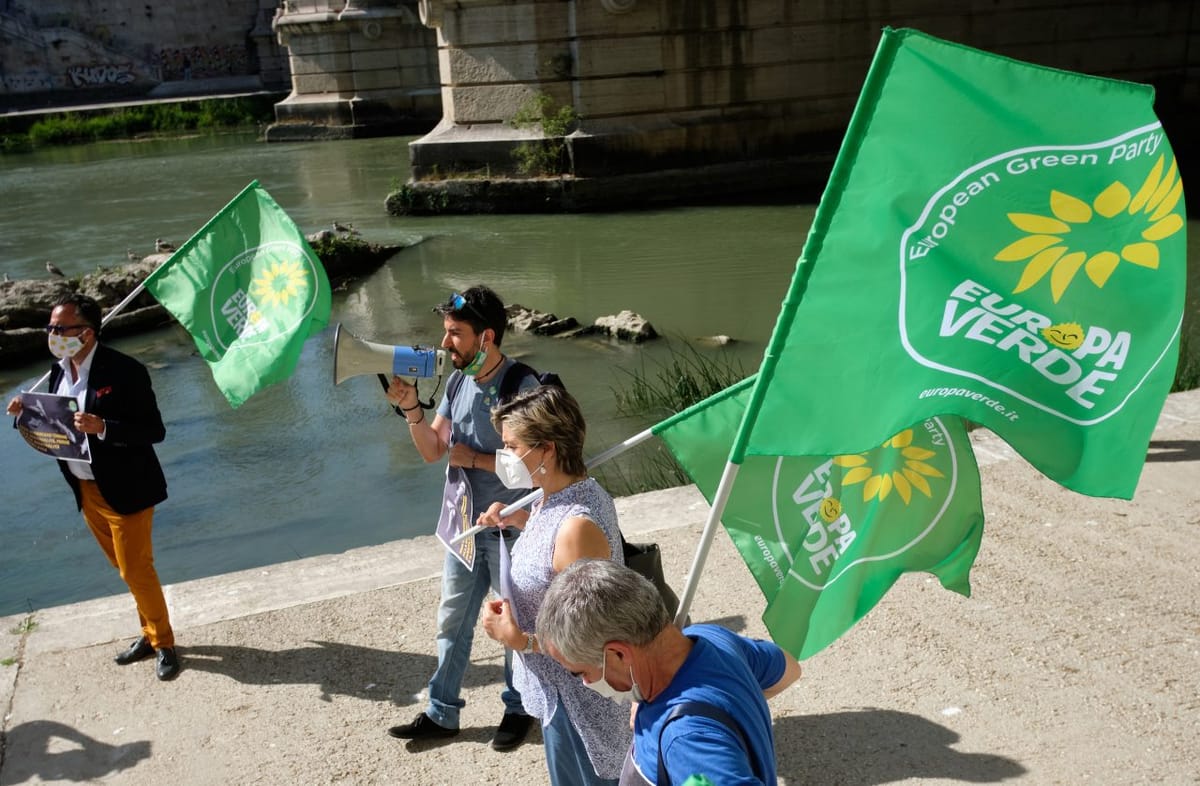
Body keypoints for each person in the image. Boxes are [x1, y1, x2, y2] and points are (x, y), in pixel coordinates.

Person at [384, 285, 537, 751]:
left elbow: (537, 464)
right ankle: (441, 712)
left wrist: (476, 460)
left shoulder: (522, 386)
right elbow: (434, 450)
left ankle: (518, 708)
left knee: (514, 621)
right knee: (451, 620)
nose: (445, 342)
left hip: (511, 528)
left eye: (455, 333)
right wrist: (411, 408)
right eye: (446, 332)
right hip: (466, 528)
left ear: (486, 336)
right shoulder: (455, 383)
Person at [6, 294, 179, 681]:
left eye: (59, 328)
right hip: (86, 489)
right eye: (50, 327)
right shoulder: (58, 372)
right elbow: (56, 426)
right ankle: (149, 633)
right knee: (124, 569)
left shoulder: (125, 370)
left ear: (86, 333)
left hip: (127, 488)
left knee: (136, 570)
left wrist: (103, 427)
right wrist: (25, 412)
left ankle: (164, 643)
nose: (51, 334)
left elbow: (154, 430)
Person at [480, 385, 633, 785]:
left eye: (512, 446)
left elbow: (588, 642)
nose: (504, 455)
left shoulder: (576, 525)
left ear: (546, 449)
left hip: (581, 706)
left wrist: (518, 639)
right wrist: (521, 521)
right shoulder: (555, 496)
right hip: (558, 694)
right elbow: (555, 559)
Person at [536, 559, 804, 786]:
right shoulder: (709, 638)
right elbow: (789, 669)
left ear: (618, 654)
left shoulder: (686, 741)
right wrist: (732, 703)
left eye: (580, 672)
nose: (585, 682)